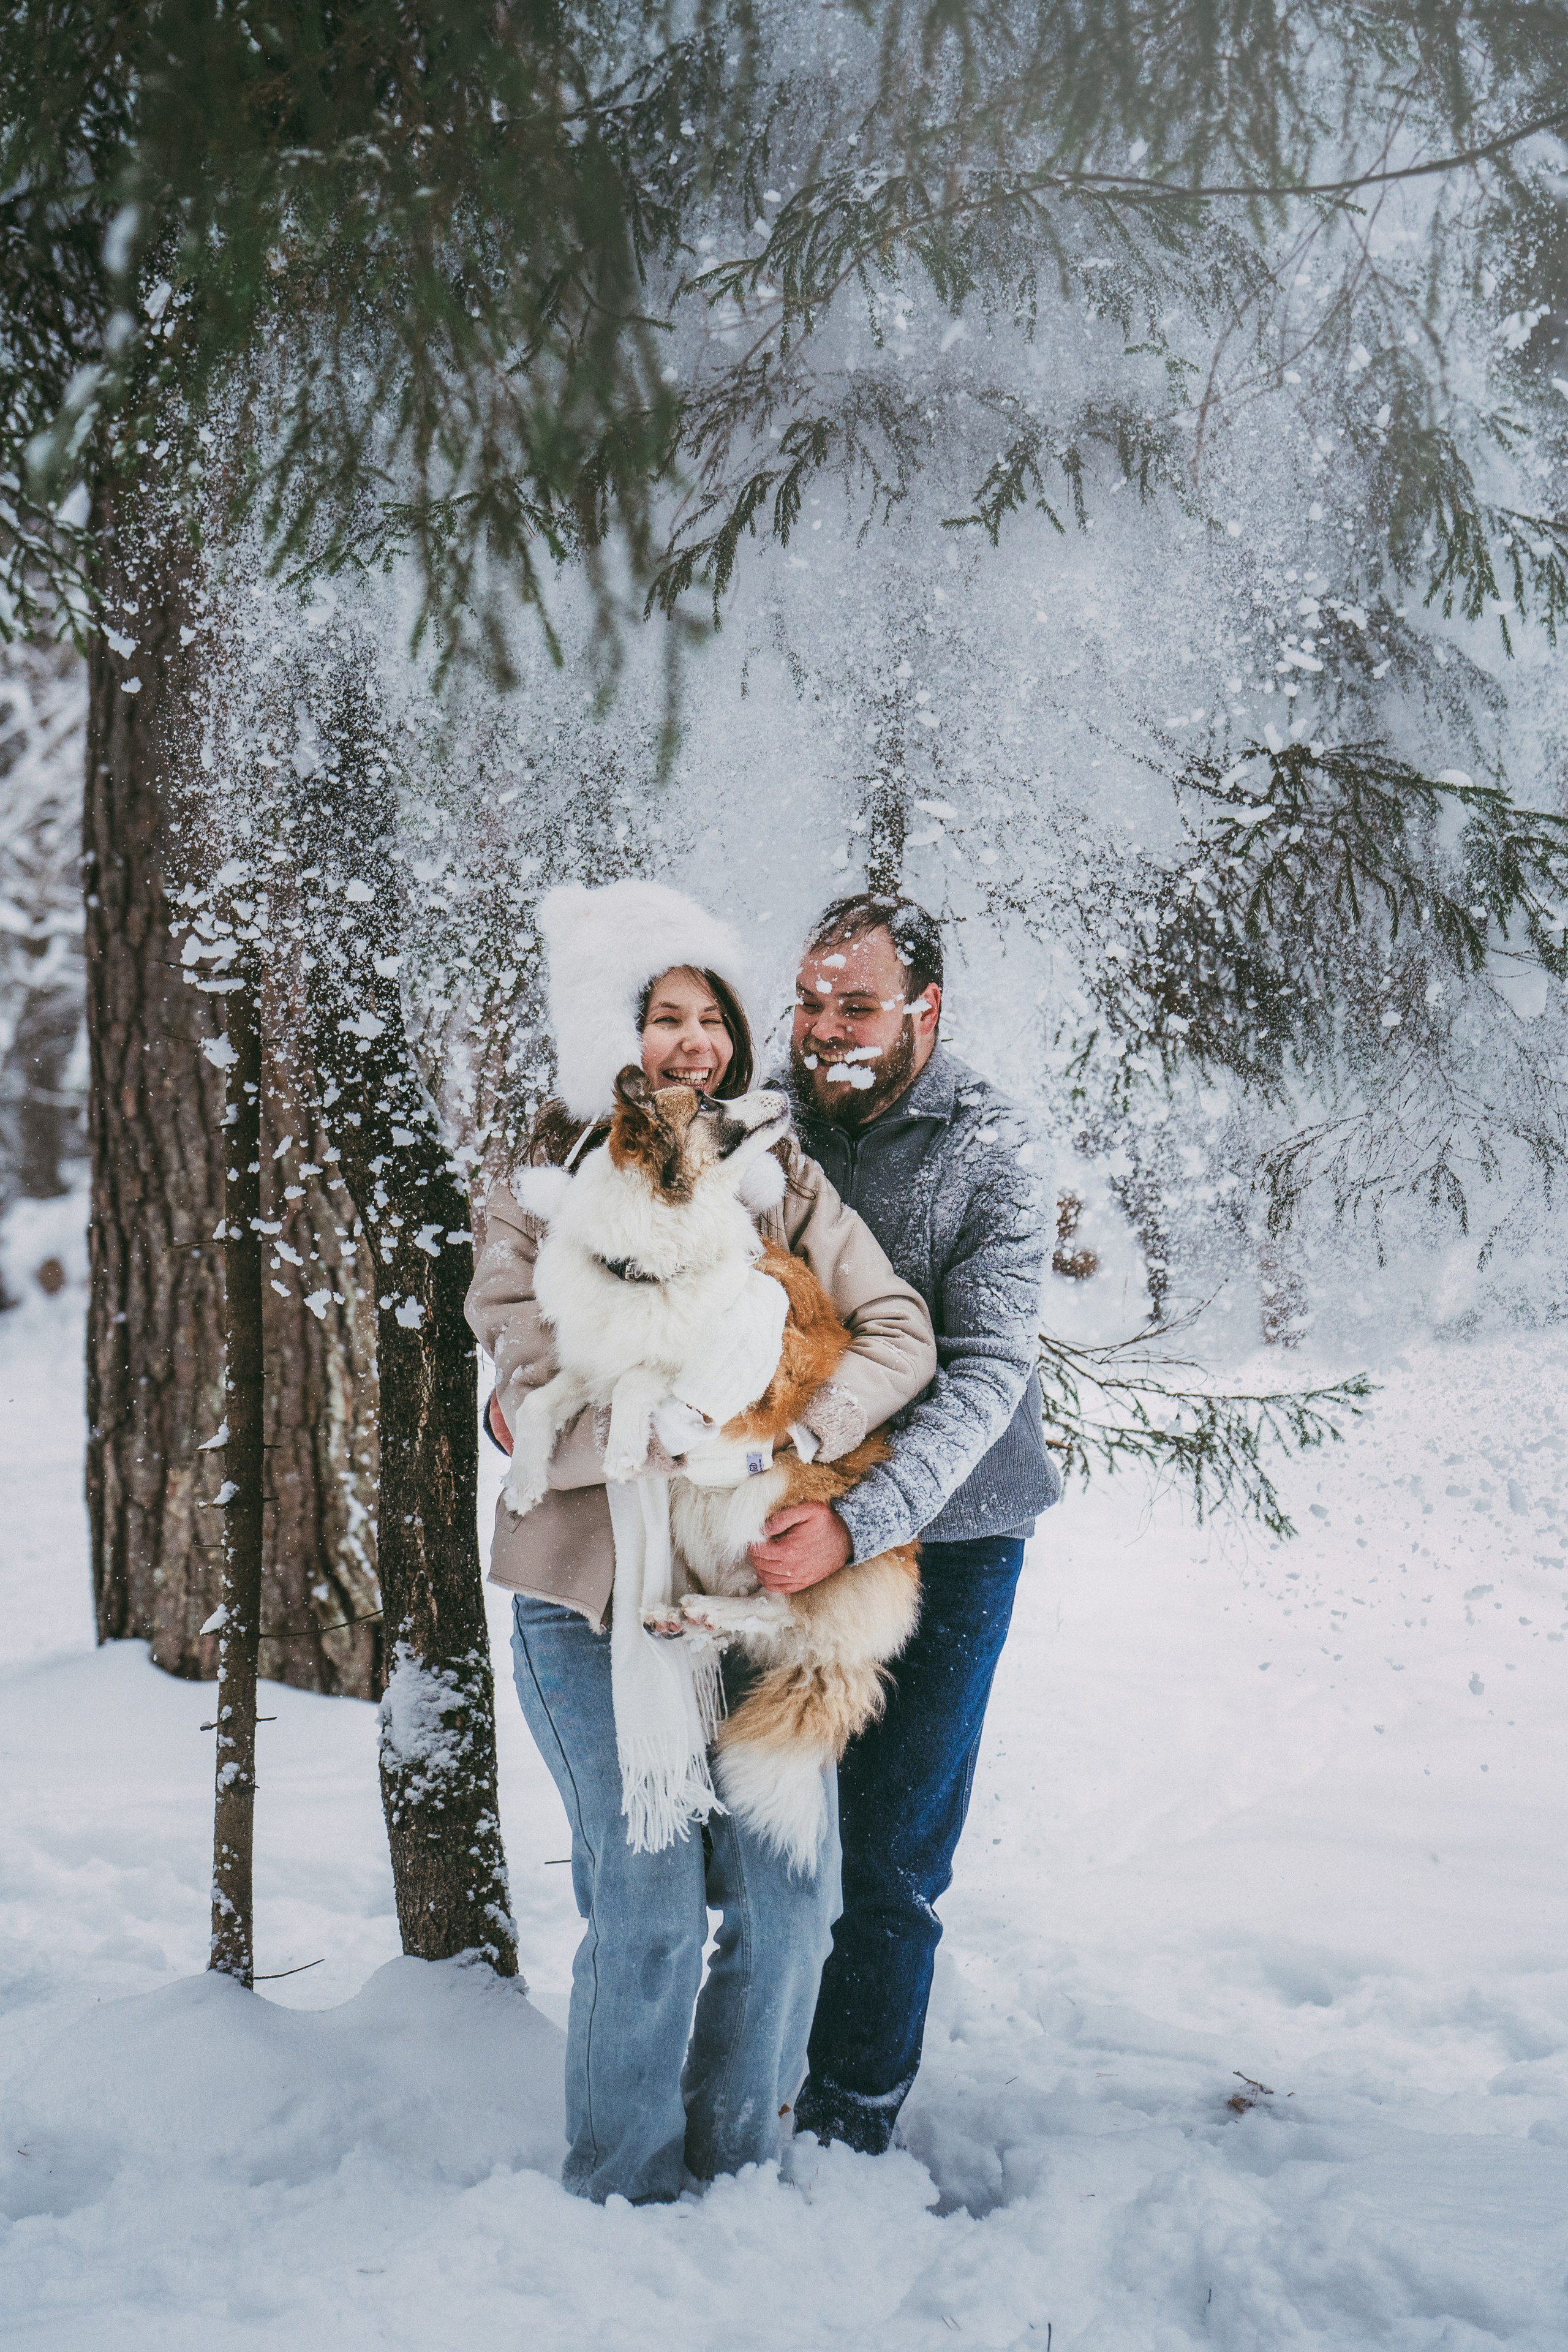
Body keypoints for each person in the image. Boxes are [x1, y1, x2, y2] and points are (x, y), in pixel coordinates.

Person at [465, 878, 937, 2205]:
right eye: (663, 1017)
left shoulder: (779, 1176)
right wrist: (614, 1405)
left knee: (790, 1913)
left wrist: (773, 1440)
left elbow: (895, 1333)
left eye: (710, 1018)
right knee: (654, 1914)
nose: (693, 1042)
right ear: (612, 1035)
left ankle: (734, 2177)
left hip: (751, 1581)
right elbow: (521, 1373)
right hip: (596, 1600)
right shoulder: (537, 1192)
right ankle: (618, 2190)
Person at [750, 891, 1061, 2157]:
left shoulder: (990, 1148)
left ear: (925, 1007)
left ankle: (849, 2117)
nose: (825, 1028)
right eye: (812, 1000)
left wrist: (867, 1521)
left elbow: (985, 1375)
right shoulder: (757, 1119)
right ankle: (740, 2083)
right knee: (755, 1841)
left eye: (858, 1005)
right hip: (781, 1513)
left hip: (955, 1533)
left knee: (890, 1860)